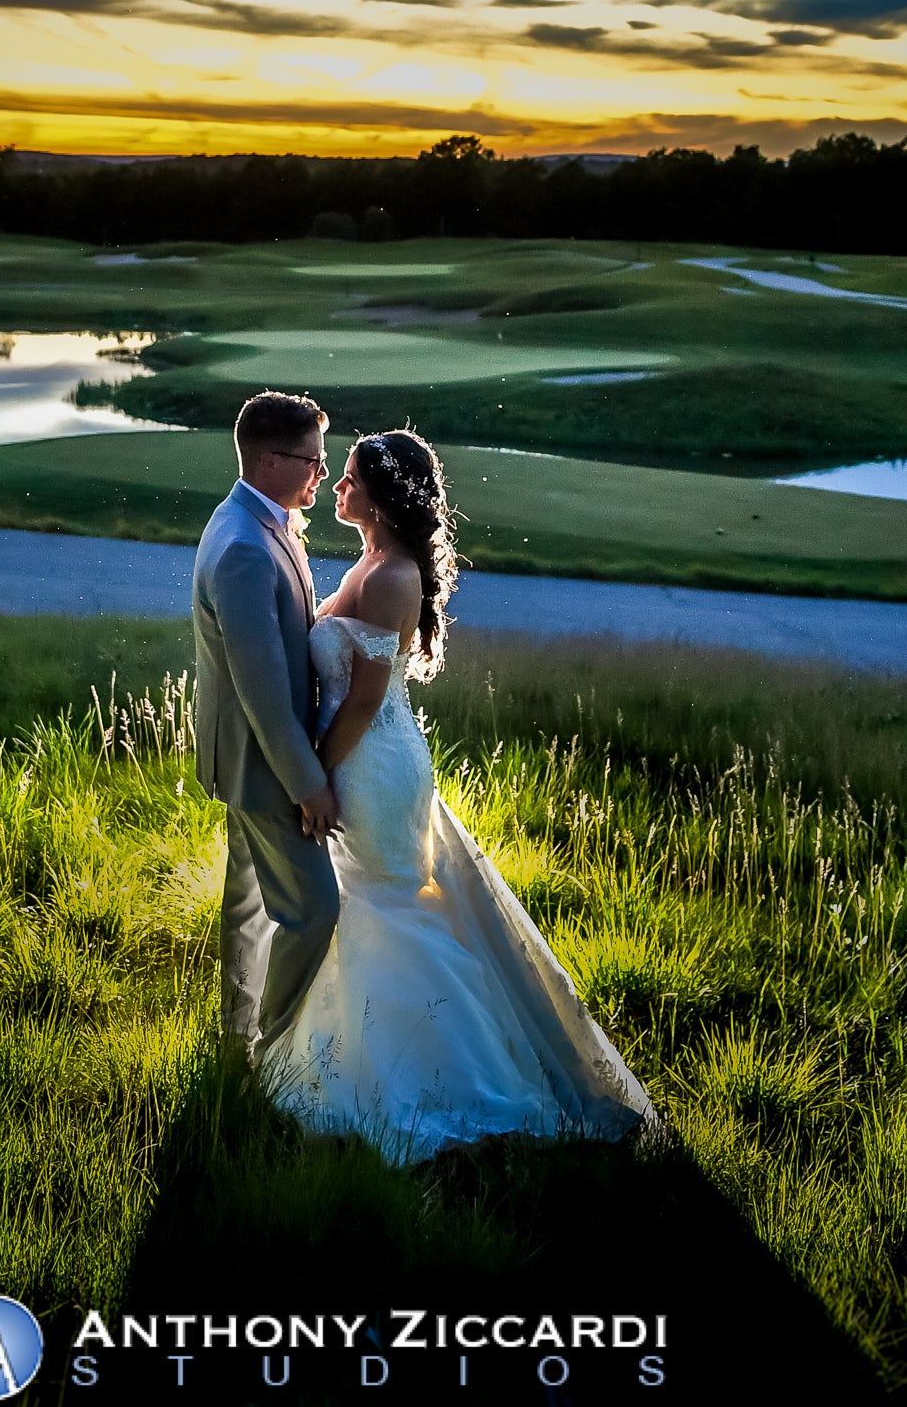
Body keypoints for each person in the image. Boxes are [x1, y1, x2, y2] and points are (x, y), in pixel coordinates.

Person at [257, 426, 654, 1163]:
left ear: (380, 494)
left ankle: (434, 1074)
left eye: (348, 478)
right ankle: (345, 1048)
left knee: (386, 903)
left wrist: (309, 773)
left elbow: (364, 703)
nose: (336, 488)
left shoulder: (389, 579)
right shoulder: (374, 561)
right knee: (365, 904)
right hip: (361, 757)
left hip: (368, 763)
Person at [192, 390, 341, 1053]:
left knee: (248, 907)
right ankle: (275, 1052)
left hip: (250, 756)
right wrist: (308, 784)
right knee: (313, 911)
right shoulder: (245, 548)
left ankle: (237, 1039)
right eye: (311, 459)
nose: (321, 470)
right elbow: (263, 693)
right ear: (268, 459)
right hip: (263, 763)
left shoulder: (258, 520)